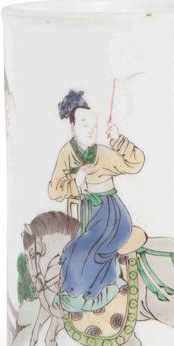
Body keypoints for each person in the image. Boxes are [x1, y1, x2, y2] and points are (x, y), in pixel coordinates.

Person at [49, 89, 145, 313]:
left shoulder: (103, 153)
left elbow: (136, 163)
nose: (91, 130)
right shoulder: (66, 153)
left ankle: (98, 293)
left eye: (94, 125)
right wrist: (76, 181)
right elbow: (54, 190)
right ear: (72, 126)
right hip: (86, 214)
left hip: (111, 213)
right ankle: (75, 295)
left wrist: (119, 140)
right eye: (84, 124)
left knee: (86, 249)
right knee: (72, 249)